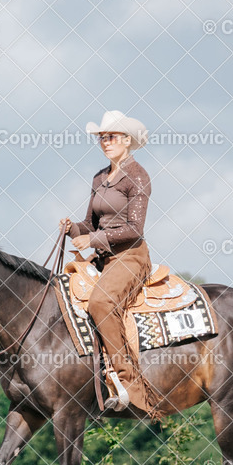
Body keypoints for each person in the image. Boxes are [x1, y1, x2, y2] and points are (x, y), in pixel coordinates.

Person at [59, 110, 157, 413]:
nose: (105, 142)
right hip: (104, 258)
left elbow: (134, 229)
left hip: (130, 257)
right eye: (102, 137)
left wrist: (93, 240)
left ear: (127, 141)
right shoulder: (100, 177)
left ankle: (130, 386)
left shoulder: (138, 176)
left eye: (111, 136)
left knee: (101, 303)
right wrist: (73, 229)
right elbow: (92, 224)